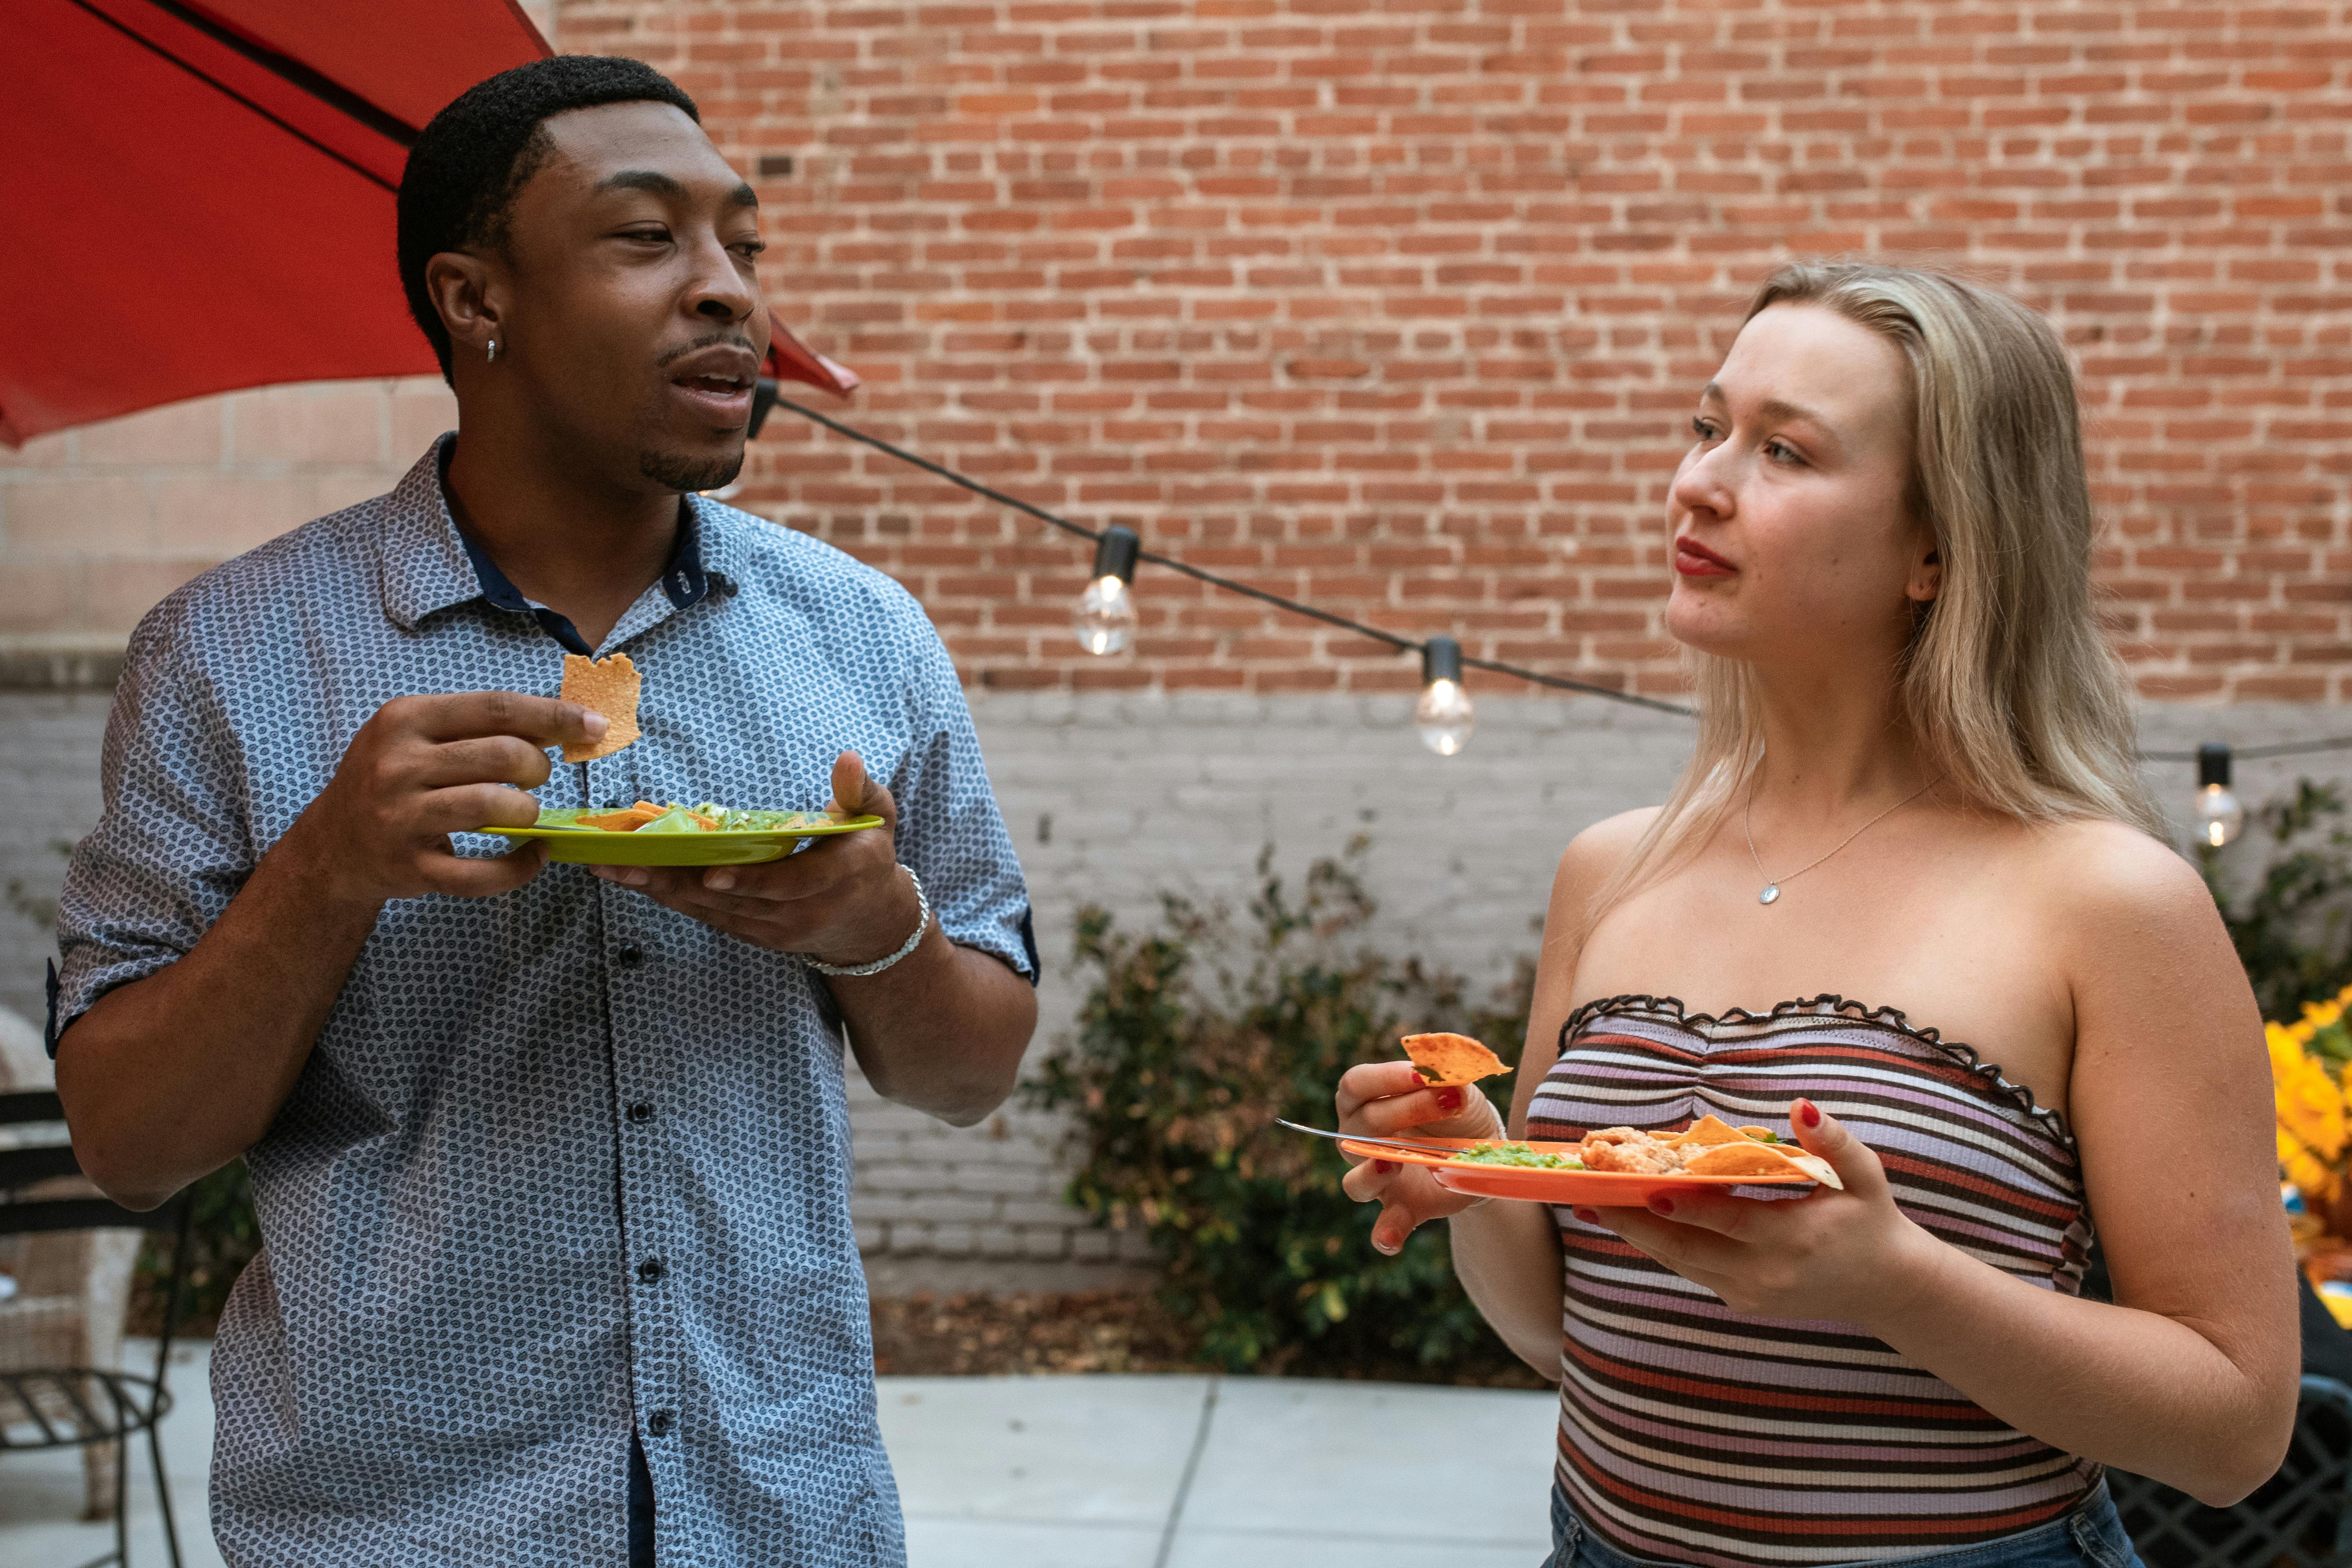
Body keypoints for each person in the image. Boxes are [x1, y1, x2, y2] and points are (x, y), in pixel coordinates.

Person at [46, 56, 1039, 1567]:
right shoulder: (232, 649)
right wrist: (326, 869)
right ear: (474, 299)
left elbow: (975, 1075)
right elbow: (126, 1142)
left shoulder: (862, 634)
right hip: (395, 1527)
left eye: (744, 247)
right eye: (649, 238)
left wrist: (873, 928)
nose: (729, 295)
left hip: (782, 1508)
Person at [1337, 262, 2298, 1568]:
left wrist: (1899, 1284)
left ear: (1939, 549)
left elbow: (2237, 1430)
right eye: (1706, 427)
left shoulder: (2106, 901)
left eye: (1784, 451)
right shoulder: (1613, 868)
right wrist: (1481, 1168)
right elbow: (1566, 1334)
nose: (1702, 483)